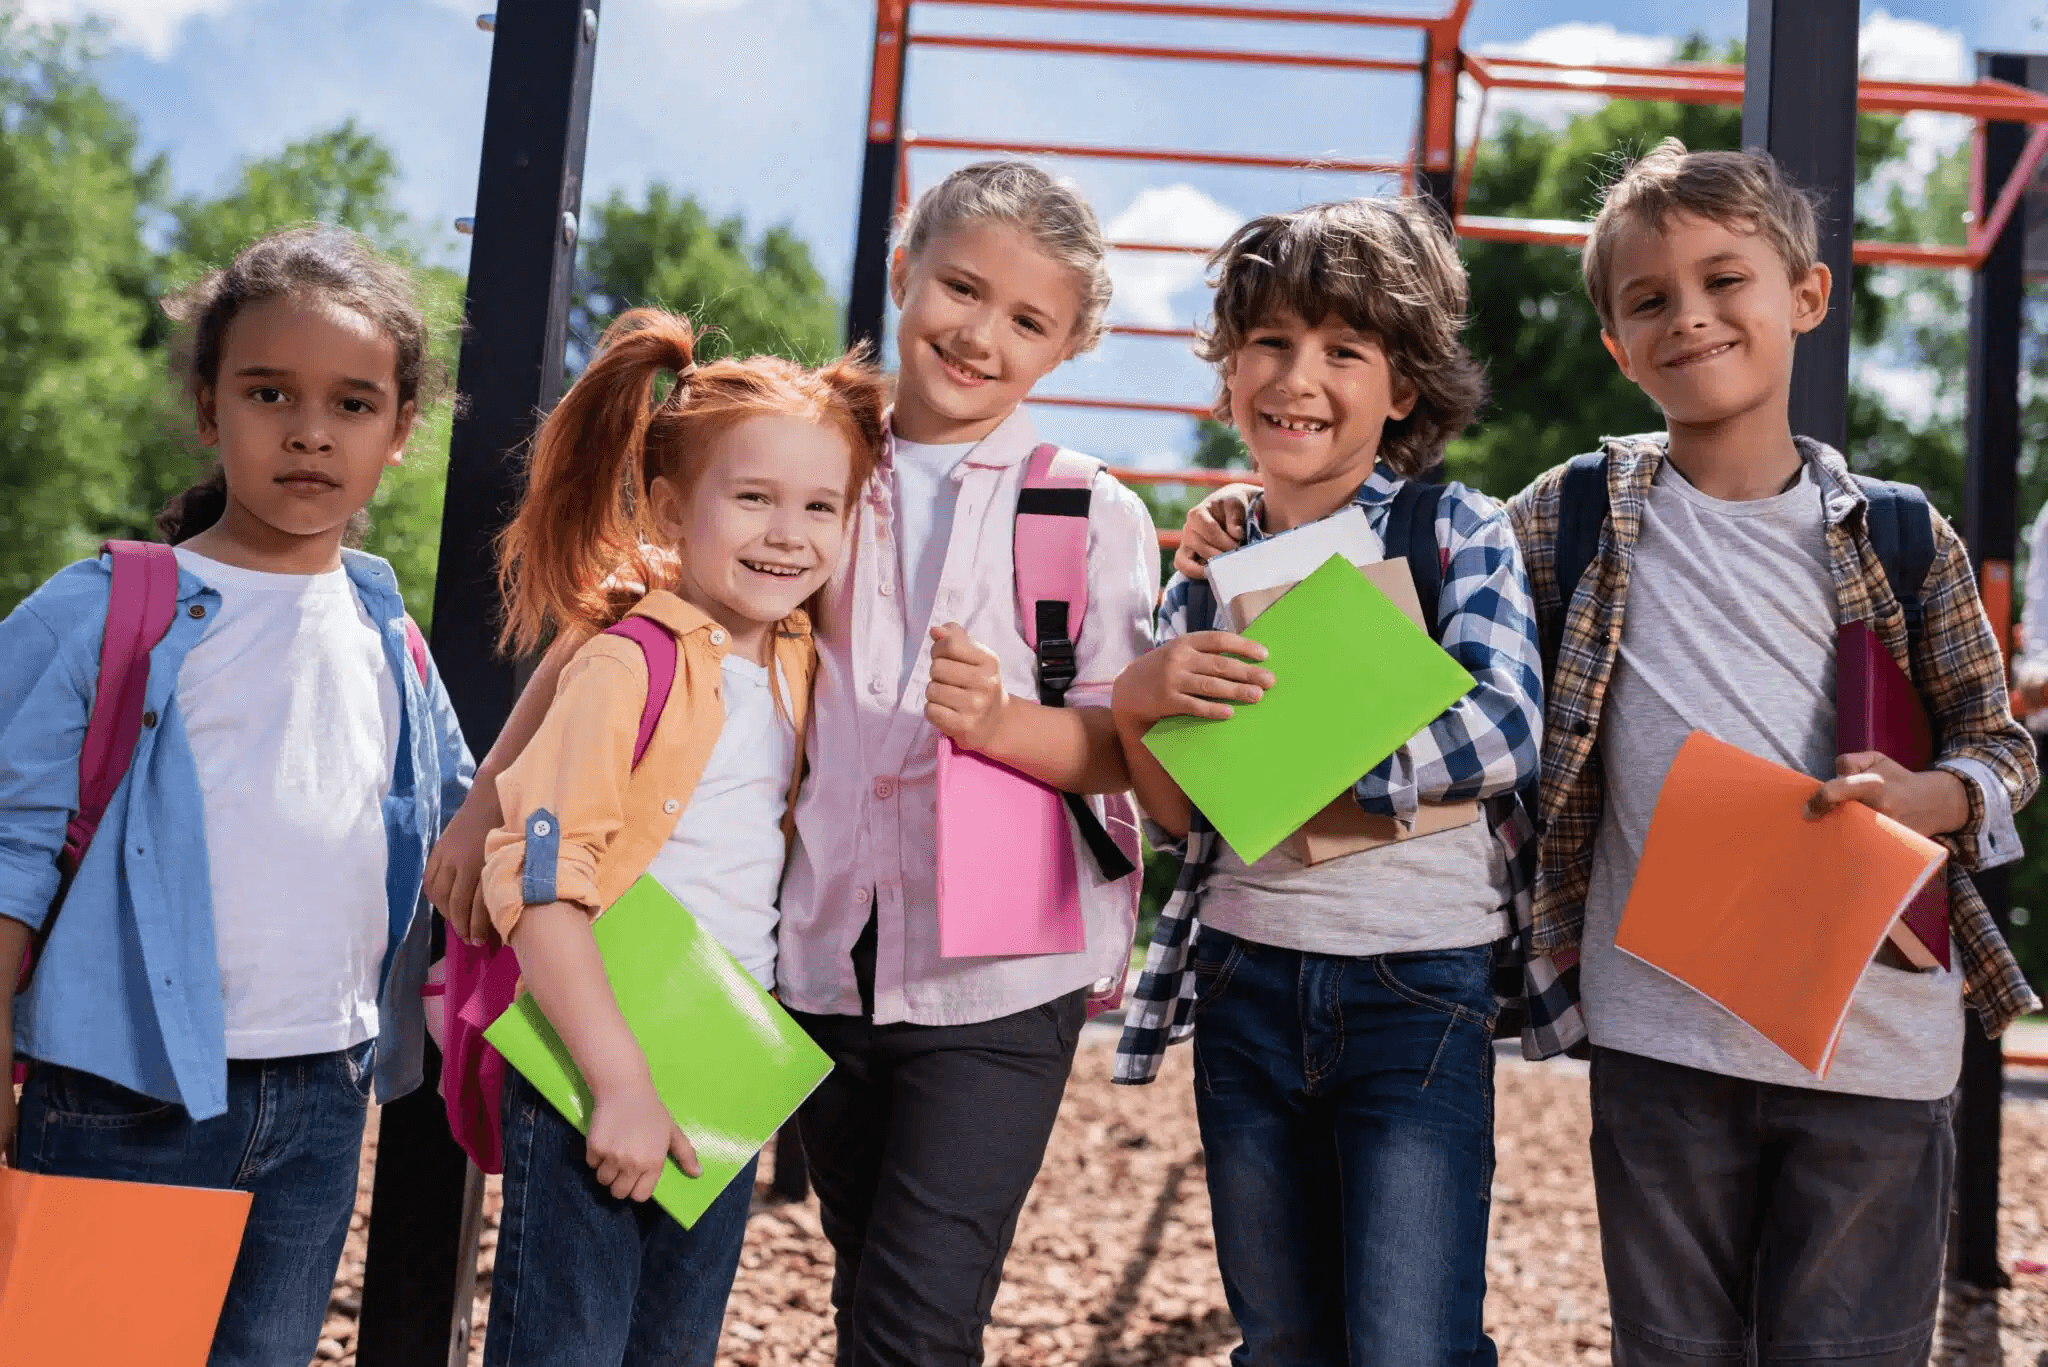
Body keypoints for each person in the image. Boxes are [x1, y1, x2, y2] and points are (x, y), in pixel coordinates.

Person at [428, 160, 1158, 1365]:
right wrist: (487, 792)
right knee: (863, 1285)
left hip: (999, 970)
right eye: (959, 288)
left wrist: (1002, 724)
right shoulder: (816, 460)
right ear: (899, 271)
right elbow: (628, 620)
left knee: (918, 1321)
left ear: (1070, 343)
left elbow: (1117, 749)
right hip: (813, 953)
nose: (979, 334)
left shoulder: (1087, 513)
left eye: (1026, 318)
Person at [1515, 141, 2034, 1363]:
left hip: (1874, 1051)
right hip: (1660, 1041)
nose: (1687, 316)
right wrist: (1245, 520)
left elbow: (2000, 745)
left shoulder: (1901, 535)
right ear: (1616, 345)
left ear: (1803, 295)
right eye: (1648, 299)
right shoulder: (1571, 512)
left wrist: (1935, 794)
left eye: (1721, 280)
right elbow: (1430, 578)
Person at [0, 225, 472, 1367]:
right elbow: (13, 856)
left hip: (322, 1099)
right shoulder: (103, 611)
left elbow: (465, 830)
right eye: (270, 392)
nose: (311, 430)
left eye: (354, 403)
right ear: (210, 407)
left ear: (400, 431)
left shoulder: (388, 634)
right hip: (124, 1097)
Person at [1108, 197, 1542, 1366]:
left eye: (1342, 350)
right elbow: (1180, 807)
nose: (1298, 377)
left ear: (1400, 388)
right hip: (1244, 975)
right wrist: (1138, 698)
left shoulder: (1454, 527)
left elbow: (1504, 727)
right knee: (1280, 1334)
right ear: (1228, 369)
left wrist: (1316, 770)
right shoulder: (1205, 562)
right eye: (1271, 343)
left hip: (1414, 985)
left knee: (1408, 1338)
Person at [469, 308, 886, 1367]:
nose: (787, 533)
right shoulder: (625, 666)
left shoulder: (797, 659)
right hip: (599, 1057)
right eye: (751, 498)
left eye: (818, 506)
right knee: (564, 1343)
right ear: (669, 507)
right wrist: (618, 1079)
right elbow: (544, 886)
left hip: (723, 1054)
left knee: (671, 1347)